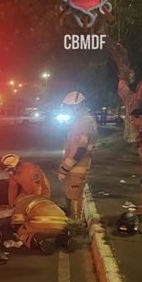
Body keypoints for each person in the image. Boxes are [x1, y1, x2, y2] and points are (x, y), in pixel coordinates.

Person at [57, 91, 97, 224]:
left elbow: (79, 150)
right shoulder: (82, 120)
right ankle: (75, 221)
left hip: (77, 167)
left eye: (70, 107)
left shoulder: (83, 122)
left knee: (75, 197)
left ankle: (76, 225)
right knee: (73, 194)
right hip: (76, 166)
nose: (68, 110)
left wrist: (64, 169)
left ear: (78, 106)